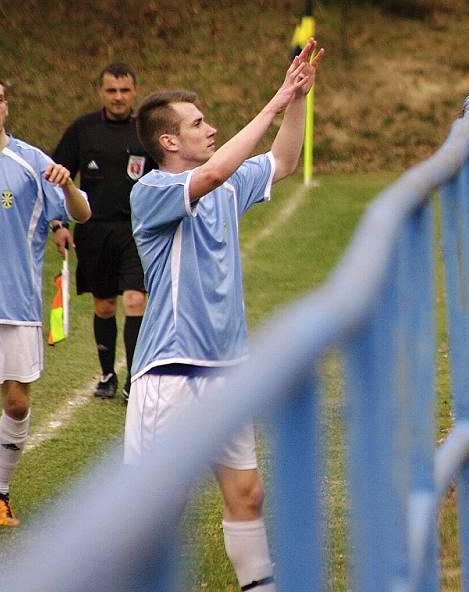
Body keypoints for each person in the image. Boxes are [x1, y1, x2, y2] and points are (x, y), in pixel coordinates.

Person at [125, 39, 324, 589]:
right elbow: (209, 175)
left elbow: (283, 161)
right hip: (169, 372)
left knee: (248, 495)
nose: (209, 128)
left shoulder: (230, 181)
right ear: (170, 141)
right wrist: (273, 101)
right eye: (199, 122)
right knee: (153, 515)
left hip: (227, 368)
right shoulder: (154, 191)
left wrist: (300, 97)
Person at [0, 71, 91, 529]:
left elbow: (82, 212)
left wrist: (67, 185)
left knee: (17, 405)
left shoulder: (30, 161)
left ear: (7, 106)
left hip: (17, 306)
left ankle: (0, 491)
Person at [52, 63, 156, 403]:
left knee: (135, 299)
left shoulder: (146, 131)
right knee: (104, 306)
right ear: (101, 92)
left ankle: (135, 378)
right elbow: (57, 178)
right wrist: (59, 224)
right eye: (111, 90)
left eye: (124, 90)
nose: (118, 97)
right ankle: (108, 374)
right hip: (93, 231)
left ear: (135, 91)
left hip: (136, 230)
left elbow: (166, 179)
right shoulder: (82, 130)